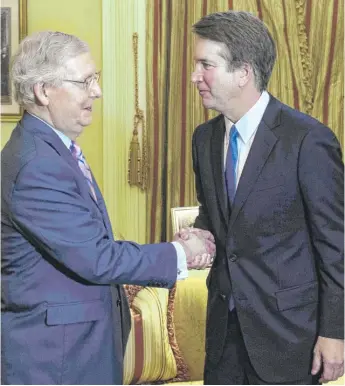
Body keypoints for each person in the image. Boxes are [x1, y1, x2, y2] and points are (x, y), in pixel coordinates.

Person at [1, 31, 215, 385]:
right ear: (43, 91)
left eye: (95, 79)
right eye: (85, 81)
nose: (97, 92)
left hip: (76, 353)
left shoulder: (52, 149)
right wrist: (181, 253)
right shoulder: (36, 164)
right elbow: (98, 258)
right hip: (56, 362)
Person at [189, 10, 344, 385]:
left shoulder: (307, 140)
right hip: (224, 337)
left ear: (243, 72)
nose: (195, 77)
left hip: (289, 339)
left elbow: (336, 246)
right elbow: (214, 218)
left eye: (205, 65)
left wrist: (335, 333)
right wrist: (197, 235)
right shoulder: (203, 139)